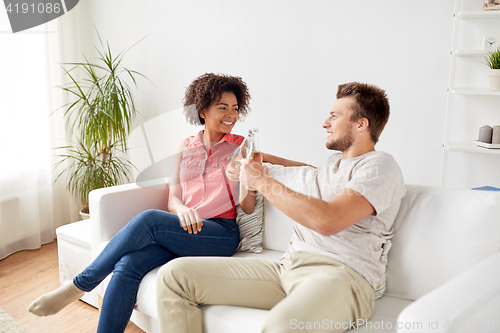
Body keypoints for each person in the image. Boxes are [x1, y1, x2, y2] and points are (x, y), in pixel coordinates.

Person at [155, 81, 406, 333]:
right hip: (287, 267)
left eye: (334, 116)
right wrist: (249, 165)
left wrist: (261, 181)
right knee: (174, 276)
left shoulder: (379, 166)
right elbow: (291, 168)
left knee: (281, 327)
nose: (325, 123)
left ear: (361, 124)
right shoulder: (329, 166)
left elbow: (328, 220)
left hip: (342, 276)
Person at [28, 73, 257, 332]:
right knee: (128, 265)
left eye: (236, 109)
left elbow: (248, 207)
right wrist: (181, 209)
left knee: (149, 219)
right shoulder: (186, 146)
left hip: (220, 233)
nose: (231, 115)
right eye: (223, 107)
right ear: (202, 111)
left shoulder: (242, 147)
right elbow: (173, 197)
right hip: (184, 230)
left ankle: (80, 284)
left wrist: (248, 178)